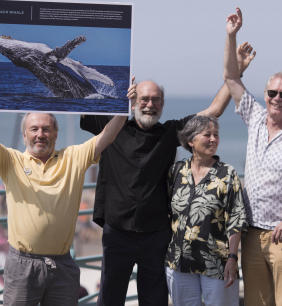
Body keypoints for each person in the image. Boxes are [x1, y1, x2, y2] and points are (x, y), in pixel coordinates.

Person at [80, 44, 256, 306]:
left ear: (162, 104)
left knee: (155, 300)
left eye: (156, 100)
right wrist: (117, 98)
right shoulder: (111, 128)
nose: (150, 105)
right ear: (133, 101)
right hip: (117, 231)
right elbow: (81, 104)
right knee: (110, 299)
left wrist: (237, 70)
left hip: (156, 234)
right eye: (144, 99)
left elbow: (213, 111)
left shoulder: (169, 133)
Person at [0, 74, 127, 306]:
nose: (40, 134)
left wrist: (124, 107)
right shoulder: (12, 161)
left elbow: (107, 136)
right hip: (22, 264)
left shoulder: (73, 157)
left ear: (55, 133)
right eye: (34, 129)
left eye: (46, 129)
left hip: (61, 264)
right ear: (24, 135)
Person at [223, 7, 282, 306]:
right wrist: (231, 36)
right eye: (272, 93)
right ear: (265, 95)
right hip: (251, 233)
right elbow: (231, 78)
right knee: (255, 302)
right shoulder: (255, 118)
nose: (277, 98)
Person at [164, 116, 247, 306]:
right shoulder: (176, 171)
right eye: (207, 135)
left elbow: (236, 218)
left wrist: (233, 258)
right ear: (190, 141)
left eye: (216, 135)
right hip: (179, 261)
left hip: (217, 262)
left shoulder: (227, 173)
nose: (213, 139)